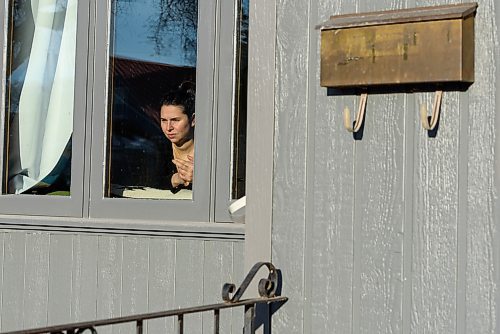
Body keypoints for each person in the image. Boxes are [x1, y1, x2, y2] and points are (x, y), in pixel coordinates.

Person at [160, 82, 195, 191]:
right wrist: (176, 178)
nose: (168, 127)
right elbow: (141, 185)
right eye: (164, 120)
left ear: (193, 120)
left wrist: (202, 177)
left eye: (175, 120)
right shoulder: (156, 150)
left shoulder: (212, 151)